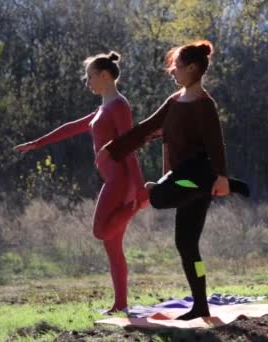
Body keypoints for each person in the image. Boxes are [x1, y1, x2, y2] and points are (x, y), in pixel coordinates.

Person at [96, 40, 248, 320]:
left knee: (158, 197)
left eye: (176, 66)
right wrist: (115, 149)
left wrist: (222, 176)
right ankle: (200, 305)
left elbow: (217, 144)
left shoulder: (205, 105)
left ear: (192, 68)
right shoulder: (175, 101)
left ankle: (198, 186)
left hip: (198, 175)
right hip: (186, 182)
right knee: (186, 245)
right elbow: (147, 128)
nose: (172, 72)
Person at [13, 51, 147, 314]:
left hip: (120, 180)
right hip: (112, 179)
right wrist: (38, 143)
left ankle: (139, 204)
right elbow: (71, 127)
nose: (87, 83)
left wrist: (140, 190)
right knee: (112, 246)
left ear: (105, 76)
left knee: (100, 231)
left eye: (90, 77)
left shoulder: (119, 106)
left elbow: (129, 148)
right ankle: (120, 305)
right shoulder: (103, 108)